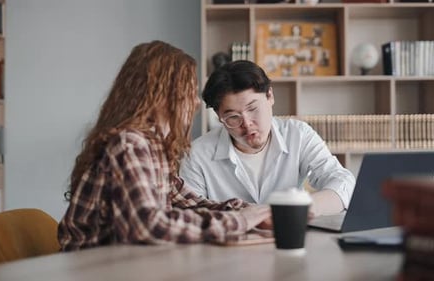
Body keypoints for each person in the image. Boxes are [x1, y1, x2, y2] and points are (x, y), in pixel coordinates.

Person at [58, 41, 270, 251]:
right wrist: (239, 221)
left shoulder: (153, 148)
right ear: (159, 94)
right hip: (91, 268)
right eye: (188, 91)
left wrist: (254, 212)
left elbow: (192, 203)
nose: (196, 103)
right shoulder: (130, 143)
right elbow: (148, 226)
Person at [179, 60, 355, 216]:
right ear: (219, 117)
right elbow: (189, 215)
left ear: (270, 96)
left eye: (253, 109)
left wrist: (300, 208)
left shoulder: (297, 135)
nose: (247, 124)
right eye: (233, 117)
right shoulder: (197, 155)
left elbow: (343, 183)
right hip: (227, 247)